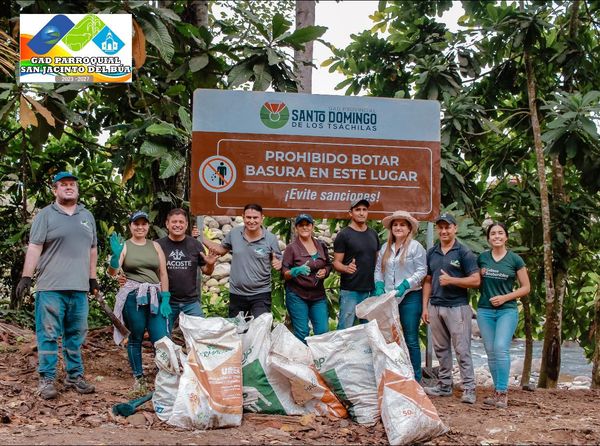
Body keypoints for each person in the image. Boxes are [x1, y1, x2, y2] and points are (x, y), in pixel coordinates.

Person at [15, 171, 98, 400]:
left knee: (75, 335)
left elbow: (92, 249)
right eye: (63, 185)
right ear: (55, 190)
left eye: (72, 184)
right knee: (48, 334)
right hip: (51, 287)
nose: (69, 187)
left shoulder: (87, 216)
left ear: (77, 189)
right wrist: (26, 276)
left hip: (79, 288)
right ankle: (47, 379)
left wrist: (92, 278)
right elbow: (35, 247)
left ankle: (74, 376)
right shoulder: (45, 215)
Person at [108, 211, 170, 393]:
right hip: (133, 297)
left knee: (161, 337)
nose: (140, 227)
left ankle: (163, 377)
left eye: (144, 224)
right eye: (136, 224)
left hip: (155, 296)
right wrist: (115, 257)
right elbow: (113, 273)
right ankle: (139, 378)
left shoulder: (155, 246)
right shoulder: (125, 246)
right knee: (135, 337)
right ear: (131, 226)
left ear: (148, 226)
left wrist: (166, 297)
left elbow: (163, 273)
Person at [422, 213, 480, 404]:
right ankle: (444, 385)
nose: (444, 231)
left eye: (447, 227)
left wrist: (452, 280)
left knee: (462, 349)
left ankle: (469, 388)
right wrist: (425, 307)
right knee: (441, 349)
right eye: (441, 227)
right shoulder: (432, 252)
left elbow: (476, 280)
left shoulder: (463, 252)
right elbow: (428, 280)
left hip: (457, 307)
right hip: (435, 306)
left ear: (455, 228)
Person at [477, 222, 530, 408]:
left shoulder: (515, 260)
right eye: (493, 234)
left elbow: (526, 287)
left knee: (500, 347)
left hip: (507, 310)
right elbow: (475, 280)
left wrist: (505, 298)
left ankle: (502, 392)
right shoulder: (482, 258)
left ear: (506, 237)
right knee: (491, 351)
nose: (497, 236)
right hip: (484, 310)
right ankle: (496, 392)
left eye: (500, 233)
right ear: (488, 238)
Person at [374, 210, 427, 382]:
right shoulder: (385, 247)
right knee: (391, 337)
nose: (398, 228)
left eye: (402, 225)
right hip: (389, 298)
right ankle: (397, 375)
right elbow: (378, 269)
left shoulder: (415, 247)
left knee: (410, 337)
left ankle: (416, 379)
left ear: (409, 228)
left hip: (410, 296)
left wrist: (406, 284)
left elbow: (422, 270)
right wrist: (379, 284)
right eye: (395, 225)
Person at [204, 204, 282, 317]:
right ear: (243, 217)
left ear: (262, 218)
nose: (251, 221)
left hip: (261, 294)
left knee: (261, 326)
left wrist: (278, 263)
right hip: (237, 293)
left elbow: (278, 261)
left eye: (255, 218)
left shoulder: (271, 238)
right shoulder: (234, 233)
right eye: (248, 217)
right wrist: (201, 238)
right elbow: (220, 250)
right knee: (238, 327)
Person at [156, 208, 217, 330]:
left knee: (200, 333)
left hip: (190, 302)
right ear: (167, 224)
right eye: (174, 222)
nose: (177, 225)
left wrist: (210, 264)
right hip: (166, 301)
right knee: (162, 335)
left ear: (186, 225)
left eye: (181, 222)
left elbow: (207, 271)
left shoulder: (195, 245)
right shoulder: (158, 245)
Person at [282, 214, 332, 342]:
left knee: (323, 331)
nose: (305, 227)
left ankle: (318, 355)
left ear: (312, 226)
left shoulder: (321, 245)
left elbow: (328, 264)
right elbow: (284, 273)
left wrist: (325, 271)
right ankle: (302, 354)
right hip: (297, 295)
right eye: (301, 225)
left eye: (307, 224)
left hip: (318, 295)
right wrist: (295, 271)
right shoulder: (291, 248)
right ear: (296, 228)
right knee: (302, 332)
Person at [332, 198, 380, 329]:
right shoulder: (344, 235)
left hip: (370, 290)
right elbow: (336, 263)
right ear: (350, 213)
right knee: (345, 331)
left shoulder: (373, 234)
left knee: (370, 330)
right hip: (350, 291)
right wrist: (345, 268)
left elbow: (378, 261)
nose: (361, 213)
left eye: (364, 210)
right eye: (358, 210)